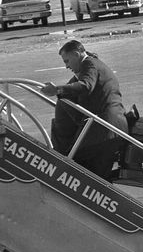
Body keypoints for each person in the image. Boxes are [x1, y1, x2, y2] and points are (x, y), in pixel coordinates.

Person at [40, 40, 128, 180]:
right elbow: (74, 89)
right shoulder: (91, 66)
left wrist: (57, 89)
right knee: (95, 176)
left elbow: (86, 86)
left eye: (67, 61)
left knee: (78, 168)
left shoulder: (90, 64)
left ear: (76, 54)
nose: (67, 66)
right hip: (107, 129)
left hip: (104, 129)